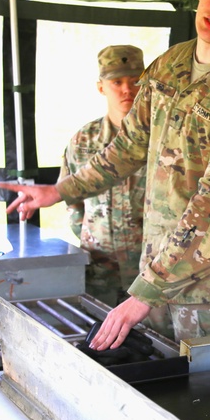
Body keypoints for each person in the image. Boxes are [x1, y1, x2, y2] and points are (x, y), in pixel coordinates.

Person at [1, 0, 210, 350]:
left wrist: (144, 293)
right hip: (157, 271)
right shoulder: (170, 65)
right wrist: (59, 190)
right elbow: (130, 145)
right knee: (159, 391)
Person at [60, 45, 146, 306]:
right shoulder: (84, 140)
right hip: (100, 271)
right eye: (116, 82)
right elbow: (72, 203)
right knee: (100, 340)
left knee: (158, 343)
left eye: (135, 81)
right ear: (101, 87)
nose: (126, 90)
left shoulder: (165, 138)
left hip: (150, 274)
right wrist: (94, 240)